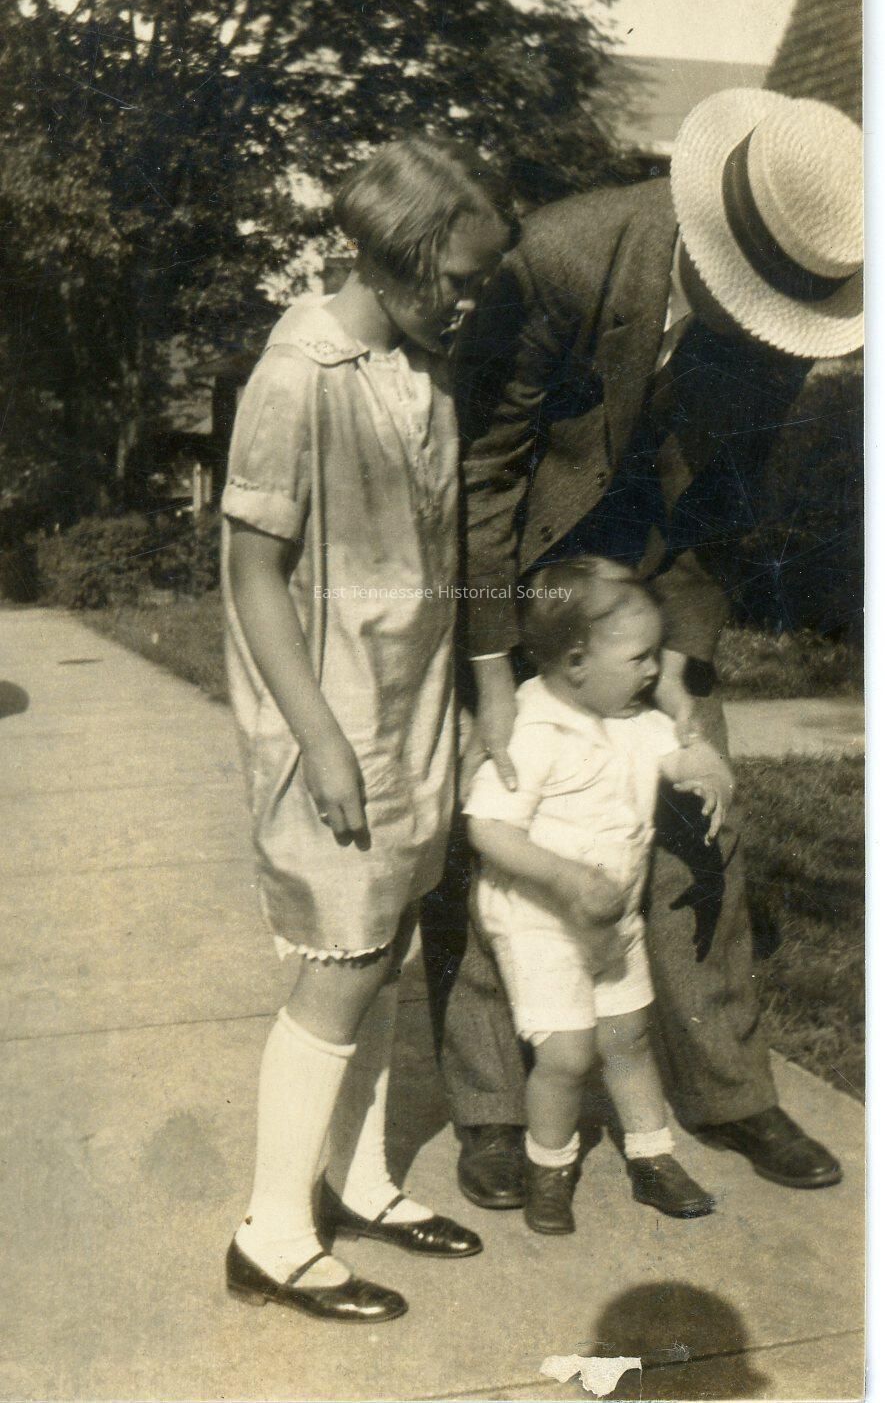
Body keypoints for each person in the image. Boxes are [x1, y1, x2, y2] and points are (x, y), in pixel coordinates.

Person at [422, 88, 862, 1207]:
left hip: (652, 586)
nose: (768, 330)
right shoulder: (564, 259)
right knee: (508, 833)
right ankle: (494, 1104)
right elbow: (483, 472)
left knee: (701, 827)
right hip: (522, 573)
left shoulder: (783, 315)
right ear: (711, 245)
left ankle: (728, 1086)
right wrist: (489, 668)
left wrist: (683, 671)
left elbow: (723, 501)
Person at [221, 134, 516, 1322]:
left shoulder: (421, 366)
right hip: (333, 716)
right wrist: (324, 740)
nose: (471, 300)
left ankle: (359, 1179)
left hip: (411, 708)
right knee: (338, 964)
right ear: (399, 255)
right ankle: (272, 1232)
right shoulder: (300, 375)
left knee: (384, 945)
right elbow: (251, 572)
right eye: (461, 278)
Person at [464, 557, 729, 1233]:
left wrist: (703, 763)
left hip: (611, 916)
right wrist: (562, 877)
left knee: (627, 1037)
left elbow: (677, 752)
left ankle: (652, 1154)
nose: (653, 671)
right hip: (540, 920)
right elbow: (488, 827)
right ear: (577, 661)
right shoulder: (530, 728)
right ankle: (548, 1167)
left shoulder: (633, 718)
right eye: (640, 658)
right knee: (566, 1055)